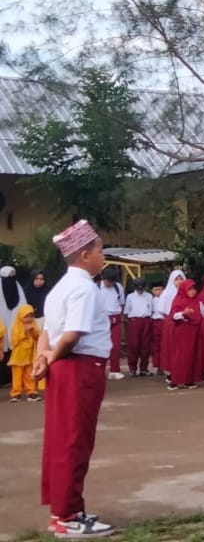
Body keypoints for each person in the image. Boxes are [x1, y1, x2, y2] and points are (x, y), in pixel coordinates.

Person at [32, 219, 116, 538]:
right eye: (99, 250)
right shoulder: (82, 288)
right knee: (74, 441)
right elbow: (71, 336)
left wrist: (43, 358)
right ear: (84, 255)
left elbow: (46, 333)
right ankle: (68, 516)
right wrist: (51, 356)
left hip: (64, 367)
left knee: (62, 439)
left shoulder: (59, 288)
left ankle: (64, 509)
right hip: (79, 368)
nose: (102, 256)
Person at [166, 279, 202, 390]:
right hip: (182, 331)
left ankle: (189, 380)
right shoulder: (178, 300)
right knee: (180, 356)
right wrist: (183, 313)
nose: (193, 291)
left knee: (192, 355)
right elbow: (173, 316)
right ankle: (175, 380)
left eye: (194, 289)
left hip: (194, 331)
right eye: (190, 289)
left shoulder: (196, 301)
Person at [8, 304, 41, 402]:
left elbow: (38, 336)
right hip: (18, 357)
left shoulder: (34, 324)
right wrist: (24, 332)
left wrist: (33, 331)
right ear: (21, 316)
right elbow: (14, 341)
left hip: (29, 356)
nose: (29, 318)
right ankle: (16, 394)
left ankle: (31, 392)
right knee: (17, 376)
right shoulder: (16, 326)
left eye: (31, 316)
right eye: (26, 316)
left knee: (30, 375)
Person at [1, 265, 27, 386]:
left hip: (15, 324)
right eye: (8, 277)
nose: (10, 280)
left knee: (14, 349)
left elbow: (22, 307)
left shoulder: (18, 288)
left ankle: (15, 380)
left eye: (13, 277)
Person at [97, 267, 124, 381]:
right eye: (109, 281)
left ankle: (115, 370)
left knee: (116, 346)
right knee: (100, 346)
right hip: (102, 318)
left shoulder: (118, 287)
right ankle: (99, 370)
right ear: (104, 278)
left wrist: (120, 317)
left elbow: (121, 303)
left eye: (112, 281)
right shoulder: (96, 287)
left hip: (116, 317)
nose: (110, 284)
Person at [124, 279, 153, 377]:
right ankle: (132, 368)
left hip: (146, 320)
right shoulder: (130, 297)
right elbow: (127, 311)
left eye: (141, 288)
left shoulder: (149, 296)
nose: (140, 290)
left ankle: (144, 368)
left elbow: (151, 310)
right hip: (134, 321)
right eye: (138, 288)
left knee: (145, 345)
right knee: (134, 345)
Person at [149, 282, 166, 376]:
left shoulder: (166, 299)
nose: (158, 291)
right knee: (157, 345)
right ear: (152, 291)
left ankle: (166, 365)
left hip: (165, 321)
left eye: (160, 289)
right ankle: (159, 366)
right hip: (156, 322)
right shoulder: (151, 300)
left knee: (166, 344)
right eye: (156, 290)